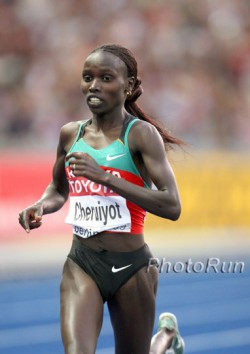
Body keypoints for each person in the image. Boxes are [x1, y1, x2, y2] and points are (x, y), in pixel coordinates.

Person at [19, 44, 183, 354]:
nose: (94, 86)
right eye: (87, 77)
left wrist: (105, 177)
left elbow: (172, 205)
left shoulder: (141, 135)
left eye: (106, 78)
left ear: (129, 86)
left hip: (132, 267)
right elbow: (58, 189)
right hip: (82, 262)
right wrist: (41, 205)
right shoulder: (70, 134)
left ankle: (165, 340)